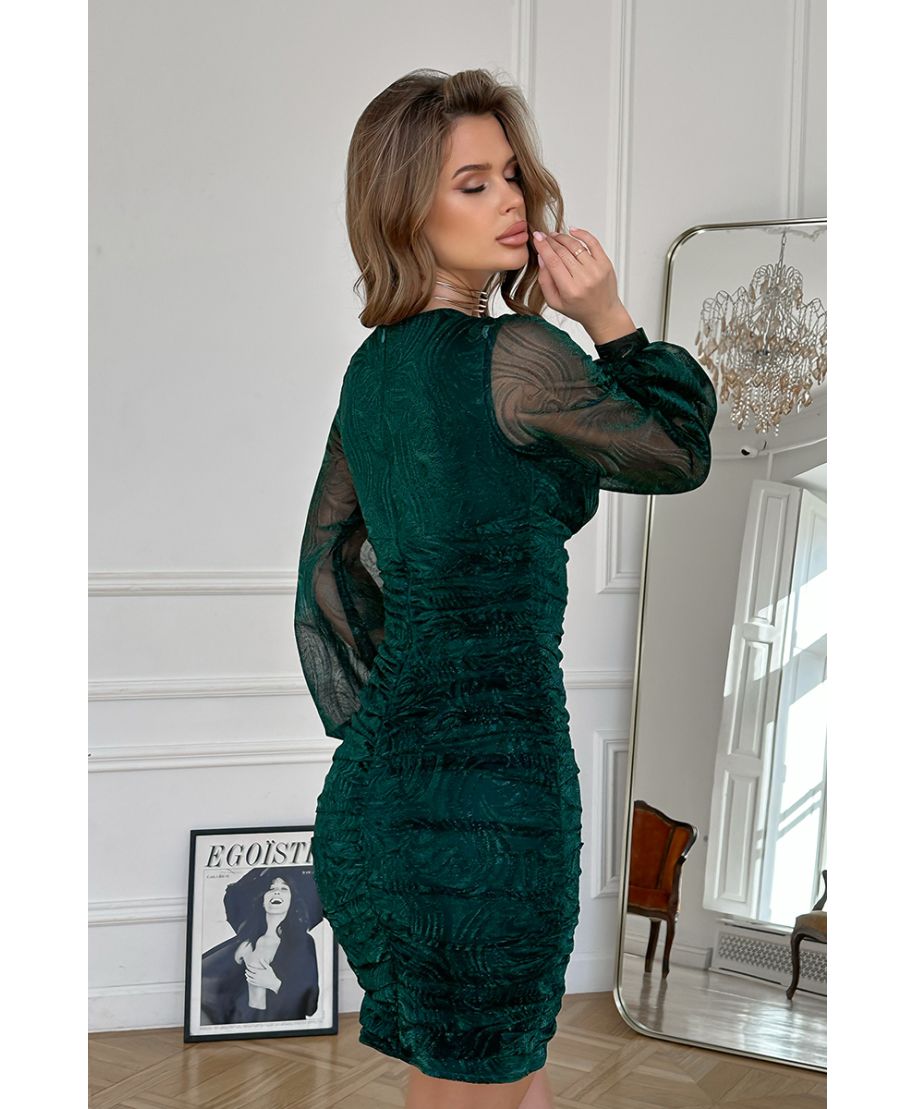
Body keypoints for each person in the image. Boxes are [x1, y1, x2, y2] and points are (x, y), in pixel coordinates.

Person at [293, 68, 717, 1109]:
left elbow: (332, 569)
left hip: (377, 797)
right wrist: (610, 316)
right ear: (407, 209)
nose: (512, 200)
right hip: (491, 801)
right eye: (472, 182)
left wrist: (400, 716)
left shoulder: (371, 373)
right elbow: (675, 449)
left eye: (512, 174)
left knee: (484, 1085)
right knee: (486, 1084)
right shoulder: (516, 355)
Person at [199, 869, 320, 1026]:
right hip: (242, 1024)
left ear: (292, 901)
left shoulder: (303, 943)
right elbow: (209, 982)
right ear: (262, 900)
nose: (276, 892)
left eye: (284, 888)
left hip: (282, 1027)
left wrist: (274, 983)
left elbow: (310, 1005)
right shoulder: (245, 943)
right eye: (271, 888)